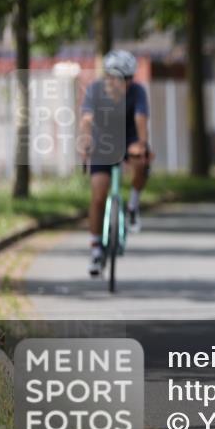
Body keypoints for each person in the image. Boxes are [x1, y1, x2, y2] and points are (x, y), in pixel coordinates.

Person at [79, 50, 153, 276]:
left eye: (129, 78)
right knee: (98, 195)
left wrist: (141, 144)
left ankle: (133, 205)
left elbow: (141, 119)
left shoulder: (138, 92)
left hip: (129, 138)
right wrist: (86, 141)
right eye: (120, 78)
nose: (125, 83)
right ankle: (95, 249)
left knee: (141, 161)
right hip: (105, 143)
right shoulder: (95, 90)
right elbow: (87, 119)